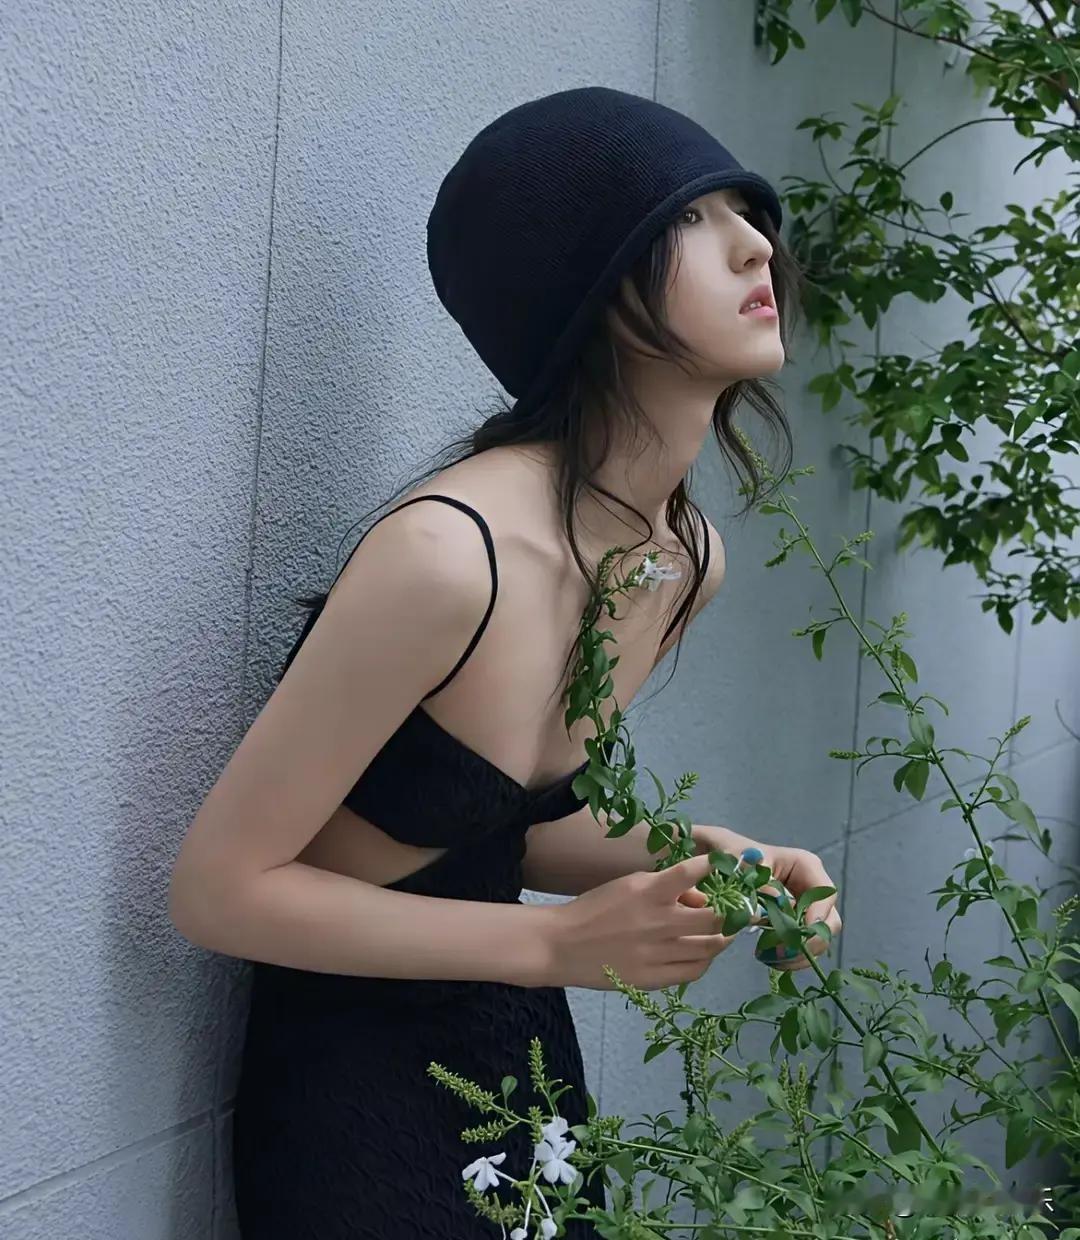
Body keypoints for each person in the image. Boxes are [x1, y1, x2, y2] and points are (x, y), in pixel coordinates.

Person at [167, 85, 842, 1239]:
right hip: (353, 1093)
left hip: (518, 1056)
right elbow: (217, 890)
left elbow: (497, 830)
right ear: (587, 287)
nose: (753, 243)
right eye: (691, 217)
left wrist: (710, 857)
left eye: (748, 211)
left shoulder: (681, 557)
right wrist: (556, 942)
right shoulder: (448, 556)